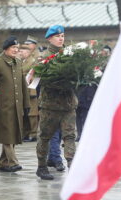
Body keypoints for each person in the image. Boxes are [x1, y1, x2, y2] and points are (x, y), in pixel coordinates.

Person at [36, 25, 77, 180]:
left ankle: (72, 165)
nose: (61, 38)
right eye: (57, 36)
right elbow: (41, 79)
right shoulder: (44, 57)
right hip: (50, 105)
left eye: (63, 35)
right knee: (44, 136)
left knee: (70, 136)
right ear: (49, 39)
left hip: (68, 104)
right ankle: (41, 166)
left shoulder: (72, 54)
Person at [0, 36, 30, 172]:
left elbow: (23, 85)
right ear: (6, 49)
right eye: (13, 48)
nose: (16, 50)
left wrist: (26, 104)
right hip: (2, 105)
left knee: (14, 133)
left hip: (16, 106)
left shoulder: (18, 61)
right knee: (6, 134)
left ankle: (3, 163)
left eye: (17, 48)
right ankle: (12, 161)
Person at [19, 45, 38, 142]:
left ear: (28, 52)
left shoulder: (33, 62)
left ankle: (34, 134)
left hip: (30, 91)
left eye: (22, 51)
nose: (20, 53)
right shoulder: (21, 62)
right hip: (22, 91)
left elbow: (35, 76)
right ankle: (25, 133)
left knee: (32, 114)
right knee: (24, 113)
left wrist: (32, 90)